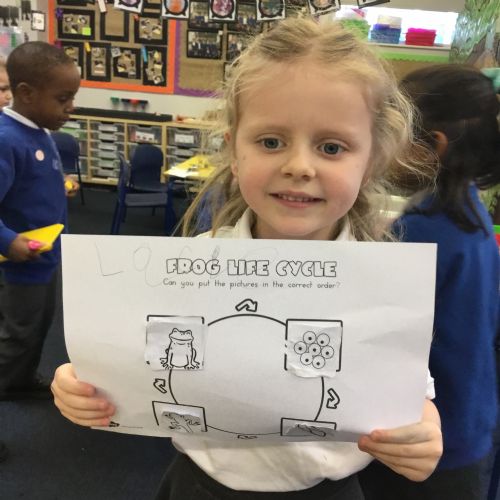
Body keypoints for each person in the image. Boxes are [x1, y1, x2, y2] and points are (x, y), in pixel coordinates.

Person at [51, 18, 442, 499]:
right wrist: (81, 383)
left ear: (371, 161)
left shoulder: (381, 282)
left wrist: (424, 429)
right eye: (271, 142)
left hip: (323, 492)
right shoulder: (188, 267)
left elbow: (410, 392)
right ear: (234, 152)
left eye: (332, 147)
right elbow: (128, 361)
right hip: (200, 487)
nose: (299, 166)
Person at [359, 65, 500, 500]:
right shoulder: (469, 213)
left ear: (433, 145)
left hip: (426, 443)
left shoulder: (423, 232)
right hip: (471, 424)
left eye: (392, 136)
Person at [0, 42, 80, 402]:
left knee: (38, 325)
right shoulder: (6, 139)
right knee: (17, 333)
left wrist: (60, 183)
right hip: (19, 262)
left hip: (45, 255)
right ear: (27, 93)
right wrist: (7, 241)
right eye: (63, 99)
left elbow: (28, 181)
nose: (70, 107)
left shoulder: (38, 130)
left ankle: (20, 378)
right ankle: (8, 382)